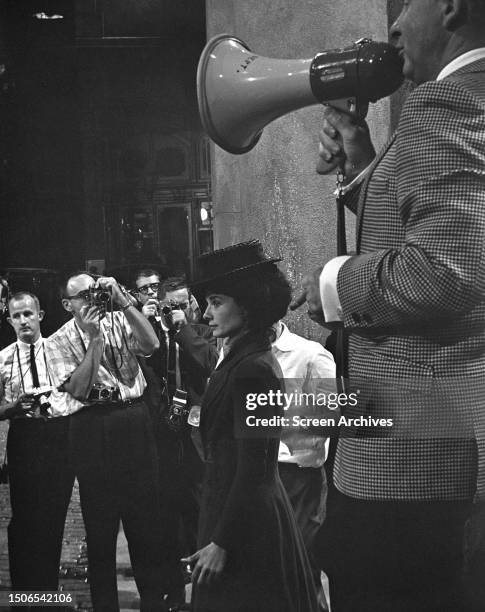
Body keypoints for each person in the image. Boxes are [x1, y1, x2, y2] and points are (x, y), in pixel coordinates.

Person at [293, 1, 485, 610]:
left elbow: (448, 272)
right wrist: (364, 169)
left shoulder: (445, 103)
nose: (394, 25)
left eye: (409, 4)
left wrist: (332, 281)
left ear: (453, 7)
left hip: (413, 472)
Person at [183, 240, 319, 612]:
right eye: (206, 303)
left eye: (216, 302)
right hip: (229, 504)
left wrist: (222, 542)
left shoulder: (254, 370)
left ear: (247, 304)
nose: (205, 315)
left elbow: (256, 469)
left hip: (245, 521)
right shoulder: (239, 359)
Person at [47, 273, 166, 612]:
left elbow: (152, 345)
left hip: (134, 417)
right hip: (92, 425)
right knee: (100, 527)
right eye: (83, 295)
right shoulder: (59, 340)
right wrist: (95, 338)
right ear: (67, 304)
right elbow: (79, 389)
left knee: (146, 520)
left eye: (96, 291)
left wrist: (124, 301)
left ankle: (155, 602)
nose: (92, 299)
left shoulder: (121, 317)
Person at [134, 270, 218, 609]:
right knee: (165, 515)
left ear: (193, 305)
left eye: (181, 305)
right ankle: (172, 587)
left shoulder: (202, 333)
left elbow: (209, 363)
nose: (175, 311)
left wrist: (181, 328)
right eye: (170, 306)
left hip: (195, 435)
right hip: (161, 433)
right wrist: (150, 321)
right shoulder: (152, 335)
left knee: (199, 508)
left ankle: (203, 586)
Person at [0, 292, 74, 592]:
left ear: (40, 315)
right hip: (24, 438)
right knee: (24, 519)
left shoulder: (60, 350)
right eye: (16, 316)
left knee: (54, 516)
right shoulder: (3, 359)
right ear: (9, 321)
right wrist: (12, 408)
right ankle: (23, 594)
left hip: (58, 435)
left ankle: (47, 592)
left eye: (28, 314)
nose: (23, 321)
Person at [271, 320, 336, 611]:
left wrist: (285, 416)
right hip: (256, 471)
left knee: (302, 564)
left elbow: (334, 413)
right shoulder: (236, 350)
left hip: (297, 474)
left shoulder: (309, 353)